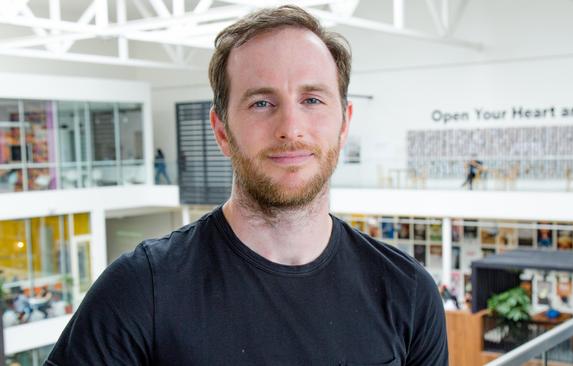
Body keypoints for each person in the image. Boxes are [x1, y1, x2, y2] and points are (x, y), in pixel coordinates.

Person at [46, 5, 447, 365]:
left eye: (312, 100)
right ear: (221, 131)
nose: (291, 128)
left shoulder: (407, 291)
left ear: (344, 123)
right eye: (261, 103)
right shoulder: (143, 289)